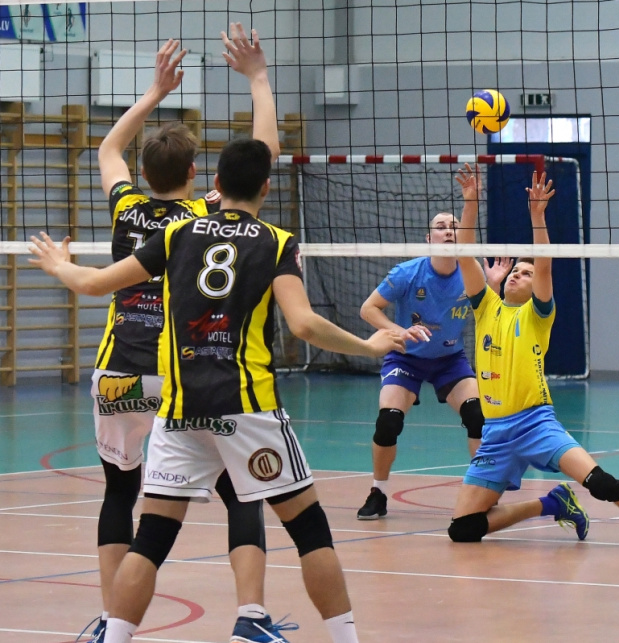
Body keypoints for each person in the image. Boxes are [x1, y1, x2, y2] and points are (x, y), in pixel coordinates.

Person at [29, 24, 404, 643]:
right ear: (239, 183)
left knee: (145, 525)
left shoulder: (171, 231)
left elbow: (94, 278)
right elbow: (302, 319)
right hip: (241, 402)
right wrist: (258, 79)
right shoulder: (267, 239)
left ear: (216, 185)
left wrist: (57, 265)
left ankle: (112, 633)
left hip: (161, 395)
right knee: (299, 523)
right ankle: (289, 624)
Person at [81, 36, 282, 643]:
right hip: (178, 376)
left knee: (120, 491)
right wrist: (258, 78)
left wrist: (154, 92)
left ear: (143, 174)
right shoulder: (202, 218)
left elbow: (107, 148)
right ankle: (252, 615)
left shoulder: (126, 208)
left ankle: (113, 619)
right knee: (240, 491)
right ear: (196, 175)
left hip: (118, 370)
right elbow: (262, 158)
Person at [445, 163, 619, 547]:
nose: (519, 274)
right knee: (463, 529)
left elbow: (545, 264)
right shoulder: (486, 308)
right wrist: (471, 203)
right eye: (515, 271)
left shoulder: (537, 316)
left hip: (536, 423)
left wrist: (537, 217)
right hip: (497, 433)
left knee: (601, 484)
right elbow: (464, 254)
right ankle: (552, 503)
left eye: (526, 272)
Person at [356, 210, 511, 520]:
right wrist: (400, 332)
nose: (448, 231)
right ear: (429, 239)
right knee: (388, 422)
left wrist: (494, 287)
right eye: (441, 227)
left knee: (478, 417)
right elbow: (368, 309)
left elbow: (490, 317)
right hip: (406, 357)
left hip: (449, 360)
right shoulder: (407, 273)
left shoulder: (471, 275)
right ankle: (378, 492)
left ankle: (483, 490)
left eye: (454, 226)